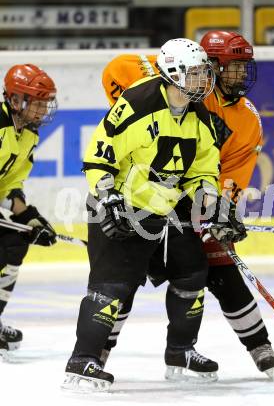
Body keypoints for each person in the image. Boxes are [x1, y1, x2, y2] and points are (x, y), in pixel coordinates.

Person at [63, 38, 247, 391]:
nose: (203, 80)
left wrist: (217, 205)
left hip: (166, 211)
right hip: (122, 207)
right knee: (113, 285)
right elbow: (98, 156)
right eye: (194, 73)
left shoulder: (201, 117)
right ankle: (82, 359)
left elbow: (203, 173)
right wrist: (108, 198)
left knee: (193, 274)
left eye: (204, 72)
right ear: (173, 72)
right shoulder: (137, 102)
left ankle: (180, 350)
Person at [100, 31, 274, 377]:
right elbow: (118, 68)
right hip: (143, 200)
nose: (242, 75)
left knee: (213, 263)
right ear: (208, 65)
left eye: (244, 67)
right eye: (233, 67)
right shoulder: (174, 86)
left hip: (192, 203)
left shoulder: (247, 122)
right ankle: (96, 353)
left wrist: (221, 210)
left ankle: (250, 344)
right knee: (125, 276)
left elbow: (232, 175)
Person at [0, 64, 58, 356]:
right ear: (14, 100)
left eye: (45, 102)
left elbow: (10, 185)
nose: (41, 109)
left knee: (14, 245)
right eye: (36, 102)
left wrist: (30, 218)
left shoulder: (28, 134)